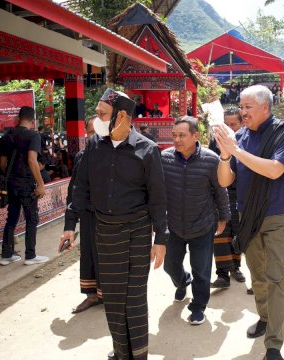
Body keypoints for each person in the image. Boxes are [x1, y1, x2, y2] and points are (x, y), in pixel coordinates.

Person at [72, 88, 167, 360]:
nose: (97, 119)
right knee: (112, 298)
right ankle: (121, 352)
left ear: (121, 115)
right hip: (105, 231)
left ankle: (138, 356)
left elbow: (158, 199)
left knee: (134, 298)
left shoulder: (147, 150)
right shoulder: (94, 146)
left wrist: (160, 238)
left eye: (102, 114)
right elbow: (81, 187)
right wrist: (70, 223)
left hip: (137, 231)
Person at [214, 85, 284, 360]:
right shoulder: (240, 137)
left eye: (247, 107)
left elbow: (275, 170)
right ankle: (265, 317)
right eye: (241, 107)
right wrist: (226, 154)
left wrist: (236, 151)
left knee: (277, 279)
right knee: (259, 277)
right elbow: (225, 181)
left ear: (266, 107)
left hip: (278, 218)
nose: (242, 113)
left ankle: (274, 345)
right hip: (249, 218)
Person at [162, 116, 230, 325]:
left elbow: (221, 190)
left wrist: (223, 217)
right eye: (174, 135)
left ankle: (198, 306)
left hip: (202, 224)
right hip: (173, 225)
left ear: (195, 136)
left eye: (182, 135)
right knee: (170, 265)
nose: (177, 140)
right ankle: (183, 281)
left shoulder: (210, 159)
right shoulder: (164, 158)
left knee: (201, 270)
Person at [59, 116, 103, 314]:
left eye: (98, 132)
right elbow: (73, 192)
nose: (94, 137)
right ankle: (92, 295)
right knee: (89, 255)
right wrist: (69, 225)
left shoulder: (118, 155)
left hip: (112, 217)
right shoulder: (82, 156)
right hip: (87, 215)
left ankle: (110, 296)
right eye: (90, 132)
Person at [0, 106, 47, 266]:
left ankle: (7, 255)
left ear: (19, 119)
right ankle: (30, 256)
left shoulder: (7, 137)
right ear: (33, 121)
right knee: (31, 218)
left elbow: (3, 164)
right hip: (26, 184)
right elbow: (32, 160)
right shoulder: (34, 136)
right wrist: (40, 184)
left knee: (12, 218)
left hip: (11, 183)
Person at [208, 107, 246, 289]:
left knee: (236, 232)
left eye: (234, 124)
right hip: (220, 193)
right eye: (227, 124)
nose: (230, 128)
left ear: (242, 123)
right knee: (220, 232)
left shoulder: (247, 141)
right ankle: (222, 274)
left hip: (240, 193)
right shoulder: (215, 140)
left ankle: (236, 268)